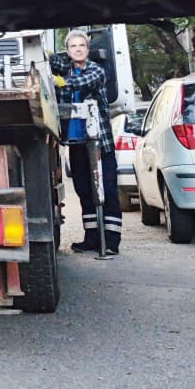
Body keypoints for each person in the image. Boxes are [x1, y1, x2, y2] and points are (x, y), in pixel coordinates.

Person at [50, 30, 122, 256]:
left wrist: (58, 81)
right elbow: (53, 63)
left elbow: (76, 84)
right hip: (77, 142)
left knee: (107, 190)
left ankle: (111, 242)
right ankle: (91, 238)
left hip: (100, 144)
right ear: (68, 50)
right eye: (73, 46)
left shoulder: (96, 71)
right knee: (83, 190)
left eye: (82, 45)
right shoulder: (67, 67)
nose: (78, 49)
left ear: (88, 50)